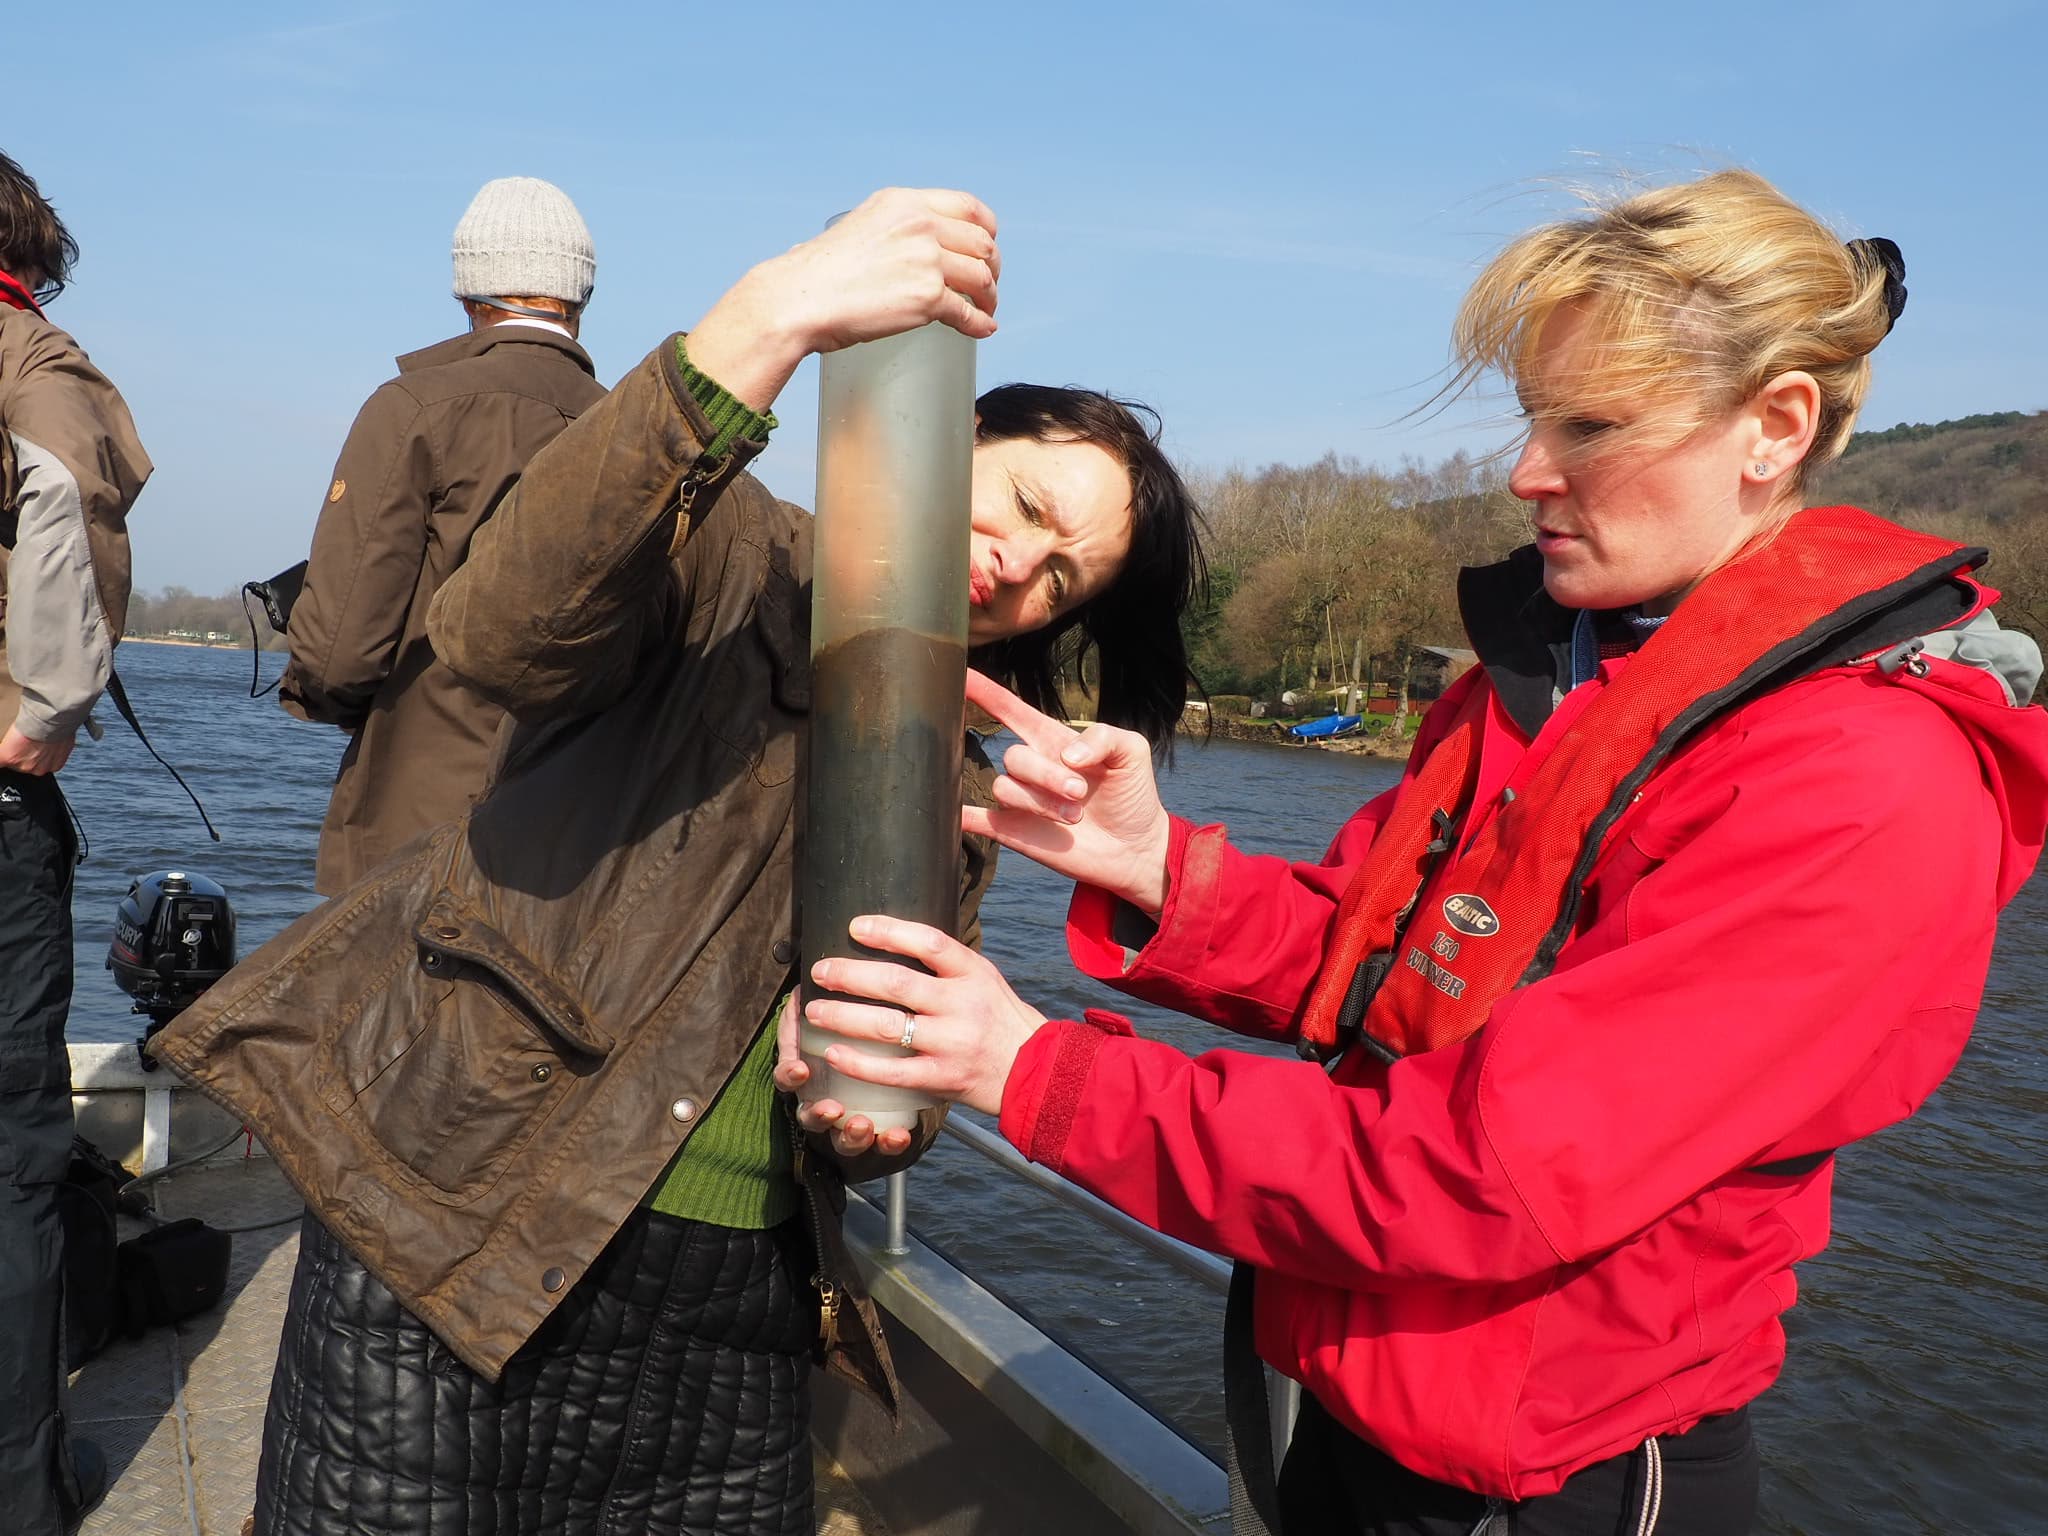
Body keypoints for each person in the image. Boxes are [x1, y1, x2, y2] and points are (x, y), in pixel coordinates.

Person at [799, 169, 2048, 1535]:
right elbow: (1379, 958)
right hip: (1350, 1399)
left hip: (1553, 1473)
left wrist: (1028, 1069)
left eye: (1590, 424)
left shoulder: (1862, 785)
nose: (1527, 472)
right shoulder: (1544, 674)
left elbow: (1481, 1172)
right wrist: (1154, 864)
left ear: (1775, 427)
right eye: (1531, 417)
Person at [151, 186, 1205, 1536]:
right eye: (1025, 503)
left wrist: (886, 1117)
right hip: (454, 1233)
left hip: (735, 1325)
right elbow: (500, 628)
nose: (1021, 567)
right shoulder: (724, 548)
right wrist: (773, 315)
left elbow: (912, 1034)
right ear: (950, 436)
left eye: (1066, 577)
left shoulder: (955, 774)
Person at [279, 175, 607, 894]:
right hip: (585, 829)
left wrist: (317, 696)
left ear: (469, 295)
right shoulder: (626, 433)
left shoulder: (412, 409)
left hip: (419, 822)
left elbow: (338, 653)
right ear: (581, 299)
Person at [0, 150, 151, 1536]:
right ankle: (26, 1493)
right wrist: (46, 712)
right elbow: (61, 500)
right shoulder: (30, 357)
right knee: (13, 1147)